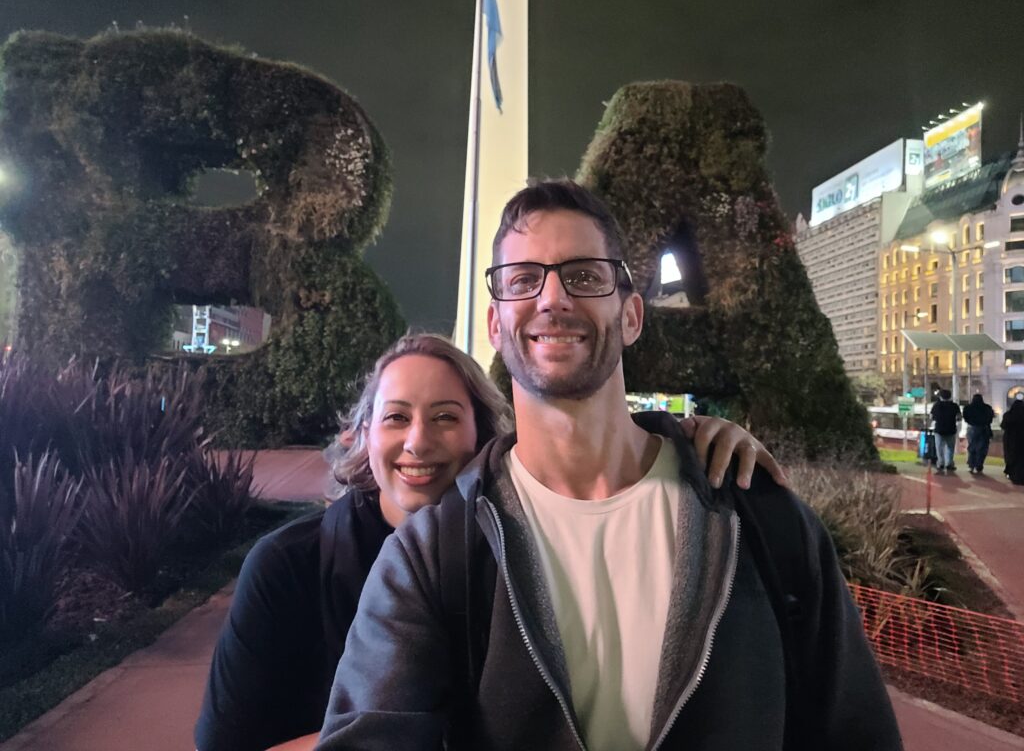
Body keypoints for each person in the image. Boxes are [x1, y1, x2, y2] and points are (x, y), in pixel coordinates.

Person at [318, 180, 900, 750]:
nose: (553, 298)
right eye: (523, 280)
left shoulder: (761, 516)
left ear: (631, 317)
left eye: (584, 276)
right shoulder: (431, 555)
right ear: (496, 325)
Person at [193, 333, 782, 751]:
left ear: (482, 433)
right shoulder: (285, 568)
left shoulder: (522, 543)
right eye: (396, 417)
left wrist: (690, 442)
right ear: (362, 434)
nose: (418, 442)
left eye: (445, 417)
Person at [930, 388, 961, 474]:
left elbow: (931, 417)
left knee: (939, 448)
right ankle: (949, 463)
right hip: (951, 429)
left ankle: (941, 463)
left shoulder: (936, 405)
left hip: (939, 430)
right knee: (950, 448)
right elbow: (959, 417)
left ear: (941, 396)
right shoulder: (954, 406)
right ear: (950, 396)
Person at [962, 393, 995, 474]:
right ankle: (979, 465)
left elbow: (965, 417)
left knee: (972, 447)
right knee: (982, 448)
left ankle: (971, 465)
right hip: (984, 428)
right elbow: (990, 418)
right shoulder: (987, 408)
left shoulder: (968, 407)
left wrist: (971, 422)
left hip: (972, 427)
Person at [1001, 395, 1024, 485]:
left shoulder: (1008, 415)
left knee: (1011, 456)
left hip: (1010, 439)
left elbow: (1003, 425)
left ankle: (1012, 474)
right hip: (1021, 439)